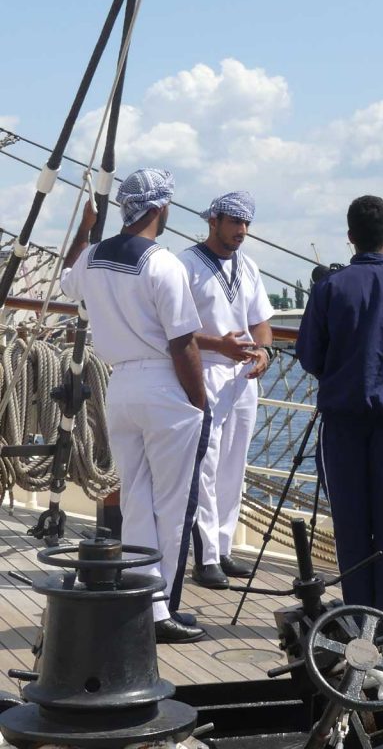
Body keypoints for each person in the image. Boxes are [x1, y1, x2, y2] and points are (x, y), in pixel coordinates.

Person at [61, 169, 209, 644]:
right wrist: (199, 402)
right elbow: (183, 342)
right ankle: (163, 608)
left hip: (119, 385)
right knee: (173, 503)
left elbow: (68, 282)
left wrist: (86, 227)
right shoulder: (164, 264)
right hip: (164, 386)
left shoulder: (95, 257)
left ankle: (142, 596)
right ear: (159, 208)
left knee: (137, 499)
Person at [296, 195, 383, 626]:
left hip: (343, 421)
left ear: (350, 237)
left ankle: (359, 614)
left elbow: (309, 355)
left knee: (351, 522)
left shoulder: (329, 289)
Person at [179, 191, 274, 589]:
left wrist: (265, 350)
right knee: (206, 465)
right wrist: (220, 345)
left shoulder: (247, 266)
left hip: (242, 378)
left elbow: (261, 320)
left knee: (234, 465)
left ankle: (224, 546)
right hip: (205, 371)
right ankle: (206, 556)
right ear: (213, 220)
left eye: (246, 224)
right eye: (235, 222)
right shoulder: (184, 265)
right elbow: (174, 329)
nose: (242, 231)